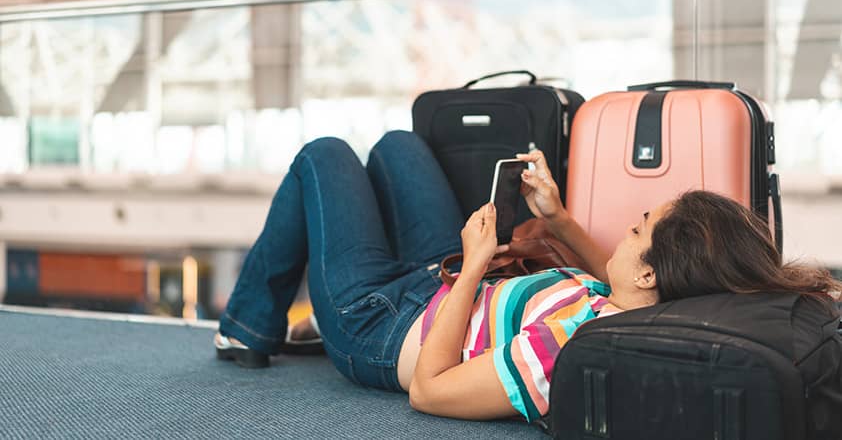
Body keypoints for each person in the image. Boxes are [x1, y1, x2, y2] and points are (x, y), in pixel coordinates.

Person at [214, 130, 840, 422]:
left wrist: (477, 266)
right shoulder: (650, 309)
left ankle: (246, 328)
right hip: (446, 282)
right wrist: (559, 218)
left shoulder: (562, 346)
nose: (624, 231)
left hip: (382, 323)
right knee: (398, 146)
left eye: (636, 228)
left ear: (650, 273)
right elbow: (613, 280)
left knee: (323, 155)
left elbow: (429, 392)